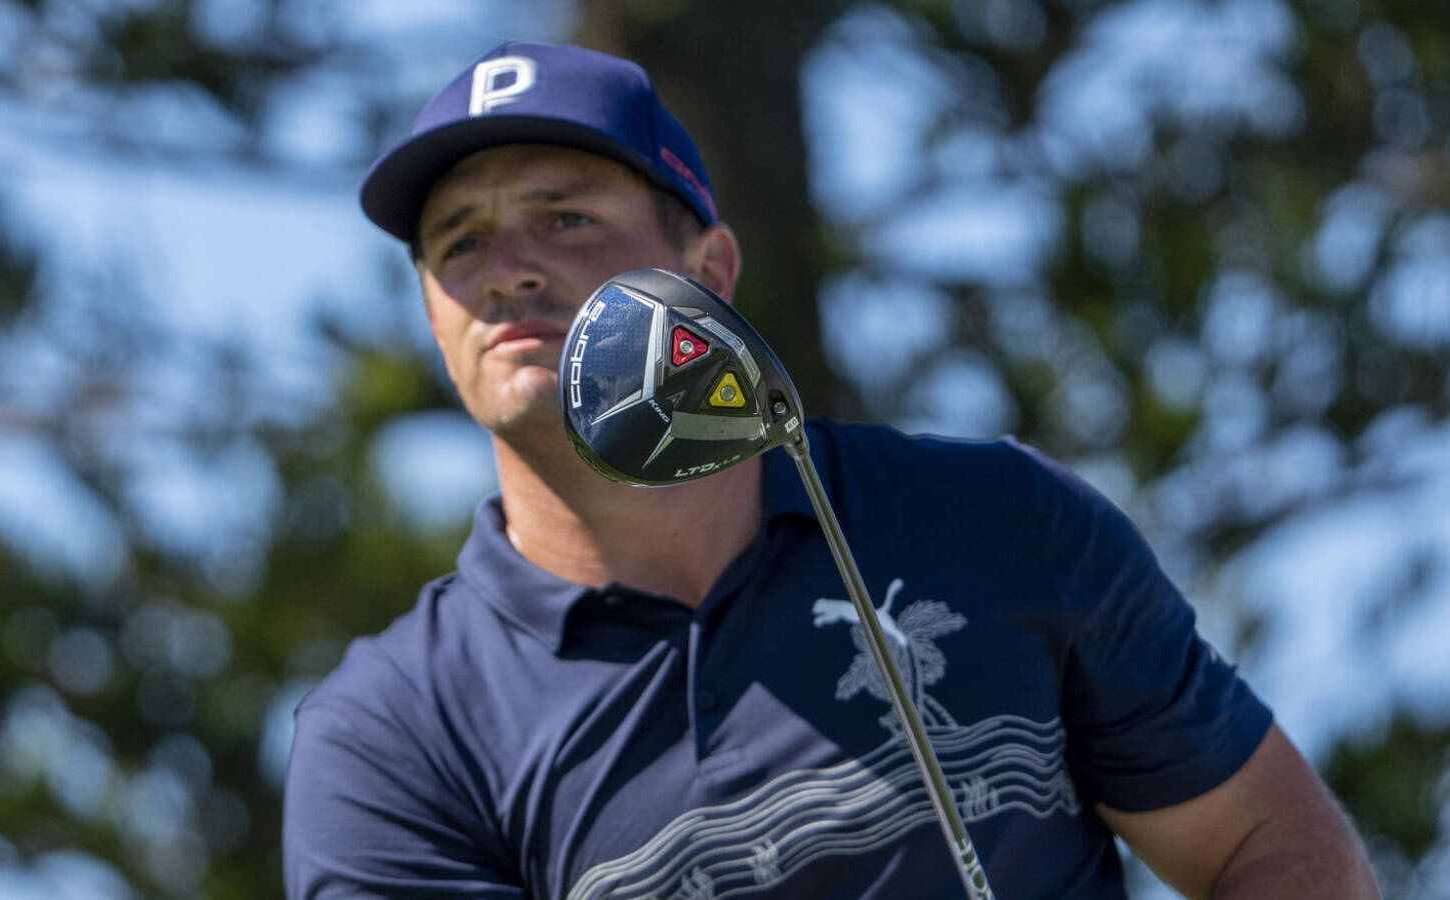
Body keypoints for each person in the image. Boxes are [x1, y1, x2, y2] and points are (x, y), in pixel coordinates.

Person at [282, 41, 1378, 899]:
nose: (508, 271)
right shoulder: (391, 736)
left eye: (564, 217)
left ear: (708, 267)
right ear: (431, 310)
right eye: (459, 243)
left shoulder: (994, 520)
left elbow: (1270, 843)